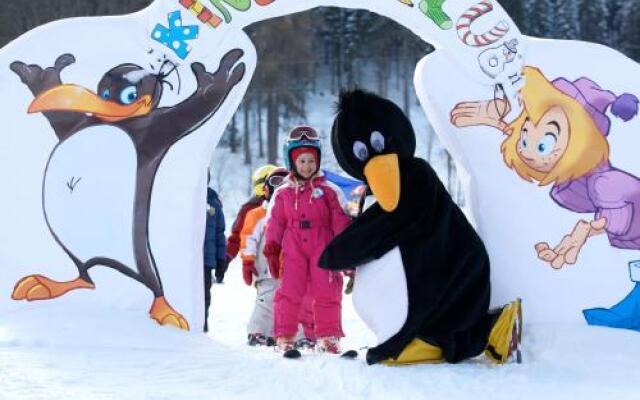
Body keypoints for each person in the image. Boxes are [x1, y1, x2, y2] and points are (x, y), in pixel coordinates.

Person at [450, 66, 640, 331]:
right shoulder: (582, 174)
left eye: (544, 145)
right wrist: (499, 123)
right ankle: (634, 310)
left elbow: (616, 214)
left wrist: (583, 233)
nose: (529, 152)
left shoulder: (606, 182)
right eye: (525, 137)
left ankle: (634, 312)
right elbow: (537, 138)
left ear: (581, 136)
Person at [264, 126, 352, 354]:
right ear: (292, 162)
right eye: (301, 161)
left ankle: (328, 337)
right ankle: (285, 337)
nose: (307, 166)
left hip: (322, 246)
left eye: (311, 161)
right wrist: (271, 250)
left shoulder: (330, 190)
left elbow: (340, 223)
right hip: (293, 248)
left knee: (327, 290)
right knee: (288, 292)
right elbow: (275, 223)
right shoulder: (283, 193)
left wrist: (345, 252)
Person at [240, 167, 289, 346]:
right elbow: (248, 238)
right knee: (266, 300)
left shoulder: (293, 212)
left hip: (290, 267)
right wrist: (247, 260)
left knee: (289, 301)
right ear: (267, 190)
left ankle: (278, 334)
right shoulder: (258, 214)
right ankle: (257, 331)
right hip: (266, 268)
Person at [226, 165, 277, 266]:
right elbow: (236, 237)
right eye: (274, 180)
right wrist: (226, 258)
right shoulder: (249, 208)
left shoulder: (288, 202)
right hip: (259, 265)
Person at [203, 174, 226, 332]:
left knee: (204, 295)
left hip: (206, 260)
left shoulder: (213, 201)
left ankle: (202, 326)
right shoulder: (181, 196)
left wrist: (220, 260)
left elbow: (219, 232)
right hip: (184, 261)